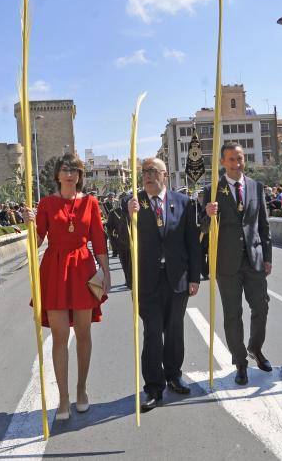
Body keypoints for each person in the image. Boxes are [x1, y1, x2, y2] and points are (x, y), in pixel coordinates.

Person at [24, 154, 110, 420]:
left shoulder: (91, 202)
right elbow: (36, 242)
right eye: (65, 169)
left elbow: (98, 237)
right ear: (57, 175)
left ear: (80, 174)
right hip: (55, 269)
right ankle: (63, 398)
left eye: (74, 169)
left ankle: (81, 389)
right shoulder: (47, 203)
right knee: (60, 336)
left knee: (83, 333)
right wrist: (29, 224)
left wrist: (106, 272)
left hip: (83, 267)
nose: (70, 173)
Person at [127, 158, 201, 411]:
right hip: (148, 280)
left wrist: (194, 277)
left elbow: (192, 242)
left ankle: (174, 375)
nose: (147, 176)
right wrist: (129, 217)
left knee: (174, 331)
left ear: (164, 175)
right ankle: (153, 387)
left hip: (176, 278)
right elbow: (123, 244)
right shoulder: (133, 204)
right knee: (152, 334)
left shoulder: (183, 203)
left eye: (152, 171)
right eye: (144, 172)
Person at [203, 141, 272, 386]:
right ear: (222, 162)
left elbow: (263, 225)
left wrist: (268, 257)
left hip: (254, 260)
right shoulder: (211, 191)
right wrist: (207, 214)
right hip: (226, 263)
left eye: (240, 158)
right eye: (231, 159)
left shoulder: (256, 187)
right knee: (233, 314)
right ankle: (240, 362)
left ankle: (255, 347)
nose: (237, 163)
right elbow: (201, 229)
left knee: (261, 307)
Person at [106, 192, 132, 288]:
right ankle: (128, 280)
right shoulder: (114, 212)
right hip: (121, 242)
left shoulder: (134, 211)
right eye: (123, 199)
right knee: (125, 262)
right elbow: (109, 227)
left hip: (134, 242)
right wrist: (115, 240)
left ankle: (134, 279)